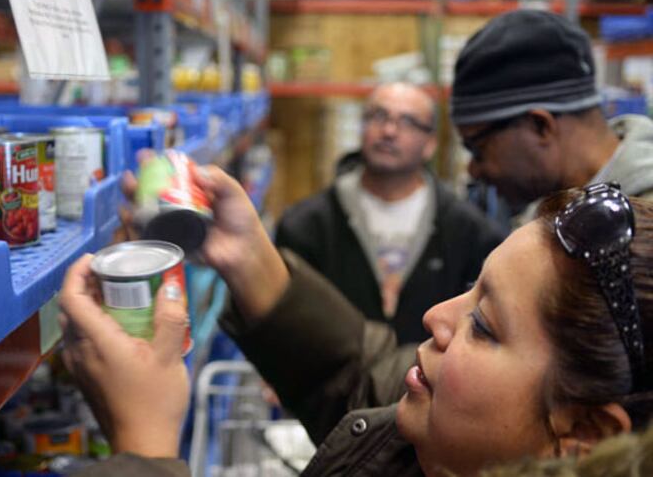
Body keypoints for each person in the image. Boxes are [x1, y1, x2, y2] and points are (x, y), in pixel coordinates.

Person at [61, 166, 652, 477]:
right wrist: (249, 261)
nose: (435, 316)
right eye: (471, 289)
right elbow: (370, 388)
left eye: (485, 325)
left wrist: (142, 449)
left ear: (588, 438)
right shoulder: (451, 441)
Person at [276, 82, 506, 345]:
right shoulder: (305, 226)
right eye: (378, 116)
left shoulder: (471, 234)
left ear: (430, 143)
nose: (388, 131)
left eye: (407, 122)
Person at [451, 9, 653, 216]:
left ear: (540, 126)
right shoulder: (544, 215)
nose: (473, 170)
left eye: (478, 149)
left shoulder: (644, 220)